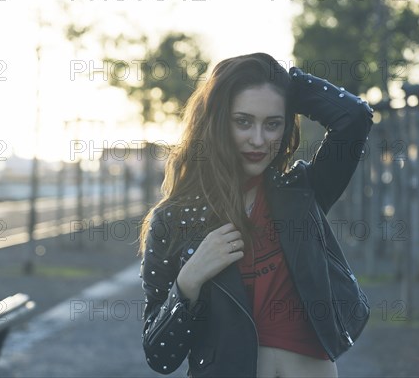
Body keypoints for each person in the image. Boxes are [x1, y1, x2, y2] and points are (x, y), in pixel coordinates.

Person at [139, 53, 373, 378]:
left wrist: (286, 82)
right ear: (218, 121)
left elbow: (355, 116)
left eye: (273, 123)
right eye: (243, 121)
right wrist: (189, 280)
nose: (259, 140)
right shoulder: (174, 219)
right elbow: (159, 355)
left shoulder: (303, 193)